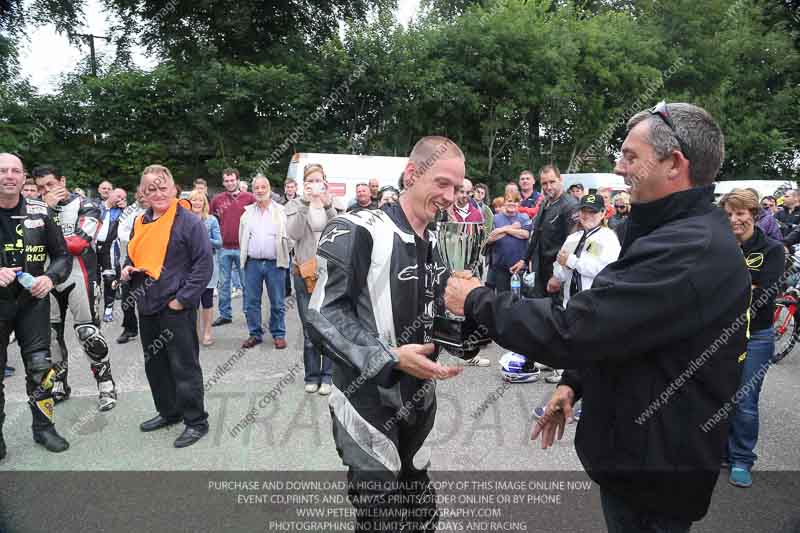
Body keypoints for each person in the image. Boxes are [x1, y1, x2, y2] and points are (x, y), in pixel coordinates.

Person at [446, 102, 750, 532]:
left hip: (656, 472)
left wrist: (477, 299)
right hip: (639, 458)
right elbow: (623, 329)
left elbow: (577, 327)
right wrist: (575, 381)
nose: (619, 167)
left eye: (630, 156)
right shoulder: (671, 231)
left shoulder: (689, 247)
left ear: (674, 164)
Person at [307, 136, 465, 532]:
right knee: (382, 513)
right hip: (365, 398)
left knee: (420, 502)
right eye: (442, 183)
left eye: (457, 187)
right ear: (412, 175)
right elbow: (323, 313)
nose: (450, 196)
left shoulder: (441, 240)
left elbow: (443, 319)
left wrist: (472, 318)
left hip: (420, 395)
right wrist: (388, 356)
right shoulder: (356, 227)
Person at [122, 164, 212, 448]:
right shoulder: (140, 221)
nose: (158, 193)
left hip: (175, 307)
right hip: (146, 304)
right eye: (151, 189)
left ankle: (196, 421)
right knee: (156, 366)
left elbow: (203, 265)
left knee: (184, 366)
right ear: (142, 194)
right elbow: (134, 256)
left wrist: (181, 300)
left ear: (174, 189)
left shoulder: (189, 221)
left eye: (163, 187)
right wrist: (126, 268)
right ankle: (169, 412)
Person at [0, 153, 72, 457]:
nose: (9, 175)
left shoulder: (41, 212)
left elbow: (62, 255)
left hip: (33, 302)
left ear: (23, 177)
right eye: (2, 170)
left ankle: (44, 429)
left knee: (41, 369)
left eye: (16, 170)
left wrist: (51, 278)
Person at [33, 166, 117, 411]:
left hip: (79, 275)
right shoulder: (33, 208)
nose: (45, 191)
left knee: (89, 332)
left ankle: (106, 385)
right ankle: (59, 382)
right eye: (40, 187)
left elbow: (79, 243)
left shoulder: (87, 204)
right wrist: (45, 210)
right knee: (50, 335)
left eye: (50, 184)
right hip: (47, 278)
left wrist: (44, 224)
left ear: (63, 180)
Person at [719, 189, 784, 489]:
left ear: (754, 215)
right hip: (719, 335)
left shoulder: (771, 248)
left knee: (745, 400)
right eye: (729, 214)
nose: (734, 219)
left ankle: (742, 457)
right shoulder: (718, 246)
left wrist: (726, 292)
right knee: (719, 395)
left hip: (756, 335)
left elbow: (765, 294)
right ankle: (721, 451)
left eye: (741, 213)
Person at [546, 193, 620, 384]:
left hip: (594, 304)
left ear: (603, 213)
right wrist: (557, 273)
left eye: (593, 212)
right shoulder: (574, 237)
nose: (587, 216)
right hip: (570, 301)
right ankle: (566, 381)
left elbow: (603, 270)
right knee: (572, 343)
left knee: (590, 348)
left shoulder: (608, 238)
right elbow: (560, 265)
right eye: (584, 212)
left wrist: (571, 261)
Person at [285, 164, 337, 394]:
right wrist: (305, 203)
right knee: (309, 325)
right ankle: (312, 375)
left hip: (330, 272)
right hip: (304, 271)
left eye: (318, 180)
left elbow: (339, 229)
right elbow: (294, 233)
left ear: (325, 181)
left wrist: (327, 205)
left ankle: (328, 375)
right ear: (305, 183)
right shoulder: (295, 204)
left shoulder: (333, 202)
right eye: (310, 181)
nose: (315, 184)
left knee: (329, 325)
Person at [511, 165, 578, 301]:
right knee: (540, 310)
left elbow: (571, 245)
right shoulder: (545, 202)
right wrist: (525, 259)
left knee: (556, 313)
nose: (548, 187)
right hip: (540, 267)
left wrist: (557, 275)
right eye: (544, 183)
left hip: (557, 271)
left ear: (560, 180)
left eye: (552, 182)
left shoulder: (570, 206)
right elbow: (536, 234)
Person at [238, 175, 290, 350]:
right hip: (252, 264)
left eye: (263, 187)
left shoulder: (281, 211)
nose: (260, 190)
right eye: (256, 188)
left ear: (269, 189)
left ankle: (279, 334)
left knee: (277, 301)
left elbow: (289, 236)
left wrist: (285, 252)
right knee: (252, 302)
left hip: (275, 263)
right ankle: (255, 334)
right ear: (253, 191)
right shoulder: (247, 213)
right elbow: (242, 237)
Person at [209, 168, 254, 326]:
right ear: (223, 182)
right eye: (226, 180)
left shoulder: (249, 198)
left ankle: (249, 313)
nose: (229, 183)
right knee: (223, 283)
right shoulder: (217, 200)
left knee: (246, 283)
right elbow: (210, 221)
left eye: (232, 180)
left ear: (237, 180)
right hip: (223, 248)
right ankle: (225, 314)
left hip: (243, 248)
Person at [114, 191, 148, 344]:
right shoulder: (130, 211)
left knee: (148, 297)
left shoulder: (157, 211)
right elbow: (121, 232)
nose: (142, 197)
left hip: (152, 258)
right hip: (131, 256)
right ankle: (130, 329)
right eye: (139, 195)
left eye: (145, 194)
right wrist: (137, 238)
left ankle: (152, 329)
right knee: (126, 296)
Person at [189, 190, 221, 346]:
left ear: (204, 203)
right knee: (192, 302)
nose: (196, 203)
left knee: (207, 300)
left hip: (208, 264)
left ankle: (207, 332)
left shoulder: (212, 220)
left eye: (199, 200)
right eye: (193, 200)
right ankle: (194, 333)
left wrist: (203, 237)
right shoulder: (184, 220)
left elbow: (219, 242)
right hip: (189, 266)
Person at [487, 192, 531, 292]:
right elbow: (490, 238)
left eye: (515, 201)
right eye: (509, 201)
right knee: (503, 298)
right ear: (504, 202)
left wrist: (502, 230)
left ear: (519, 203)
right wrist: (512, 228)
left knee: (518, 298)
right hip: (500, 267)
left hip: (519, 267)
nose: (512, 204)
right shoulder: (495, 218)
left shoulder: (524, 217)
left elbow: (525, 234)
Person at [97, 187, 126, 322]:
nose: (120, 199)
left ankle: (108, 309)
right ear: (111, 193)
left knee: (110, 279)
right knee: (93, 281)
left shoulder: (123, 211)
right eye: (118, 196)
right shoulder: (96, 206)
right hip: (92, 247)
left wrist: (125, 209)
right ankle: (94, 309)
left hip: (110, 248)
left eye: (123, 198)